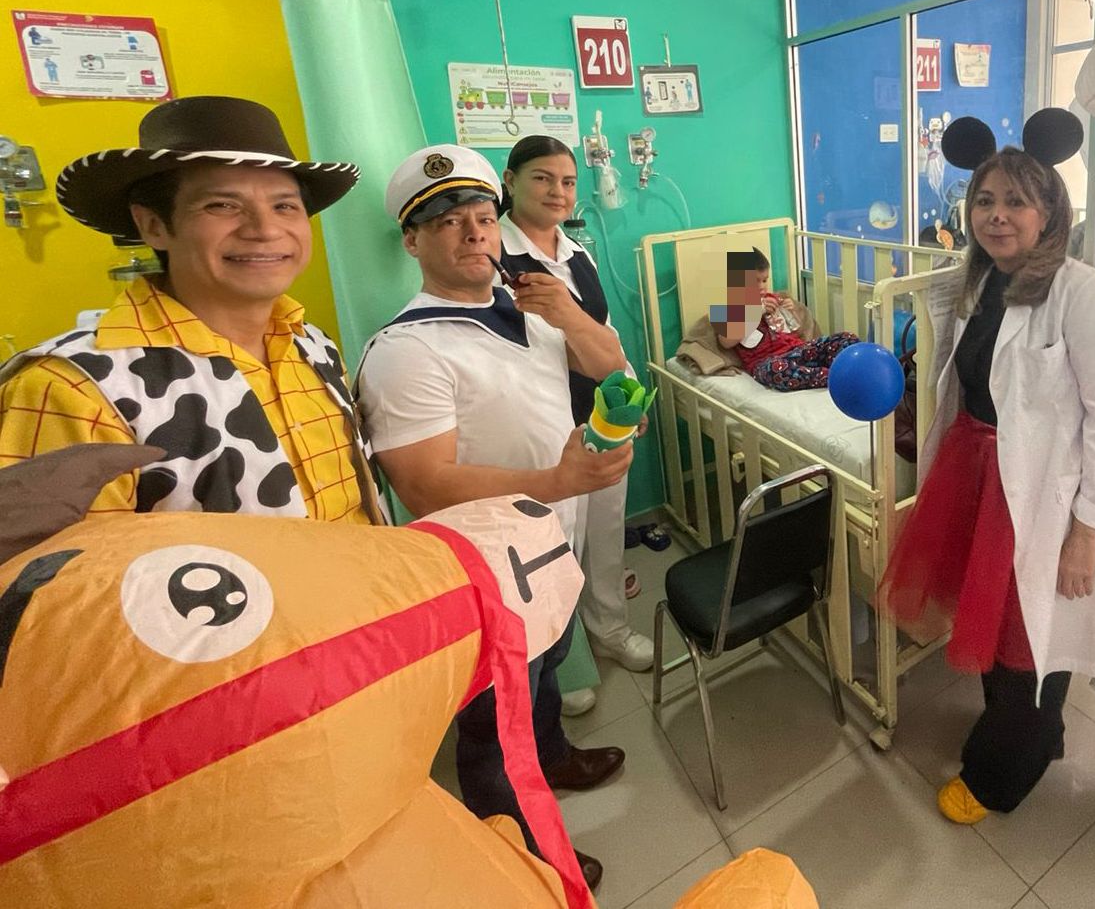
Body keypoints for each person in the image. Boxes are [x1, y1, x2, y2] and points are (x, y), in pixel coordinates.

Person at [356, 144, 633, 894]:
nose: (474, 231)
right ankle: (521, 858)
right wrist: (557, 479)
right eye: (448, 221)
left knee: (545, 676)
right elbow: (424, 484)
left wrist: (567, 311)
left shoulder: (529, 312)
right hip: (484, 574)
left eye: (482, 216)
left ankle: (555, 756)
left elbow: (612, 367)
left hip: (551, 545)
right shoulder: (408, 349)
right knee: (492, 724)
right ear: (412, 241)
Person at [879, 110, 1095, 826]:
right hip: (977, 472)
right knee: (1001, 629)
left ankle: (1000, 775)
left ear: (1050, 212)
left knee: (1029, 637)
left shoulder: (1081, 292)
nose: (996, 215)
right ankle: (1036, 734)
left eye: (1016, 202)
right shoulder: (981, 282)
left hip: (1042, 492)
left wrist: (1088, 531)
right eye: (985, 201)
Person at [0, 95, 382, 522]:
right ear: (153, 226)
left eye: (284, 206)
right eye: (223, 205)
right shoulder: (73, 387)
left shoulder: (311, 345)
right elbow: (61, 560)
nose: (265, 229)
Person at [499, 134, 654, 709]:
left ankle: (609, 629)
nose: (558, 192)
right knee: (553, 544)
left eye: (567, 181)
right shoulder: (496, 258)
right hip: (545, 429)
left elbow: (605, 337)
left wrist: (628, 400)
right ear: (510, 181)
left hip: (599, 418)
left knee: (605, 533)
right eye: (542, 178)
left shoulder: (577, 255)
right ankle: (562, 664)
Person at [715, 248, 859, 391]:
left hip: (798, 350)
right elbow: (726, 341)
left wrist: (791, 312)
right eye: (755, 281)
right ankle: (834, 376)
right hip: (768, 362)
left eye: (764, 280)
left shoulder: (772, 299)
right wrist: (755, 312)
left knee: (846, 338)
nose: (761, 287)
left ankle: (846, 368)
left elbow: (797, 331)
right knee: (778, 370)